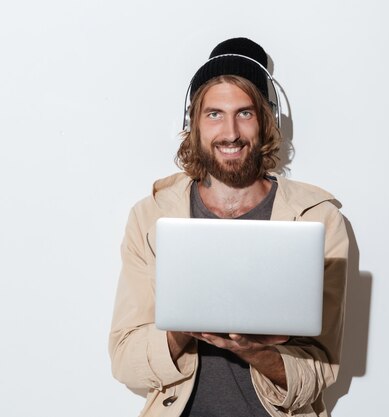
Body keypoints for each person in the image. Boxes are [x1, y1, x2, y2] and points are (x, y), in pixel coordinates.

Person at [108, 37, 349, 417]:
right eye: (215, 114)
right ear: (194, 124)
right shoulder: (150, 217)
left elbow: (323, 368)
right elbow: (124, 360)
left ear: (265, 120)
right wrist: (182, 328)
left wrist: (253, 350)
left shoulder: (317, 218)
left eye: (245, 113)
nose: (231, 132)